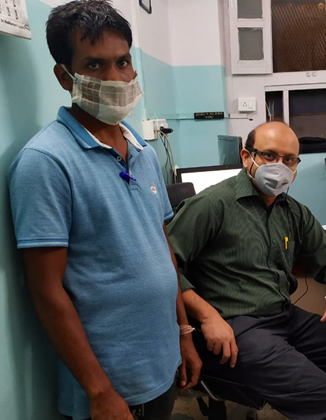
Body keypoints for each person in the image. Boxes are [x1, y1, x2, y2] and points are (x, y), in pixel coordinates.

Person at [8, 1, 201, 419]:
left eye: (123, 62)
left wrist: (183, 332)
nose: (115, 77)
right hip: (112, 382)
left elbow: (160, 245)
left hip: (162, 362)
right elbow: (45, 289)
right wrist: (99, 391)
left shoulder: (142, 149)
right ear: (65, 76)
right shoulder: (45, 162)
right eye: (94, 65)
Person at [167, 121, 326, 420]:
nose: (279, 166)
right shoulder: (211, 205)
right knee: (323, 399)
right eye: (269, 155)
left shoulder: (291, 210)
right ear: (247, 157)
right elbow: (164, 270)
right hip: (235, 327)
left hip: (284, 317)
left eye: (289, 160)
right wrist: (207, 317)